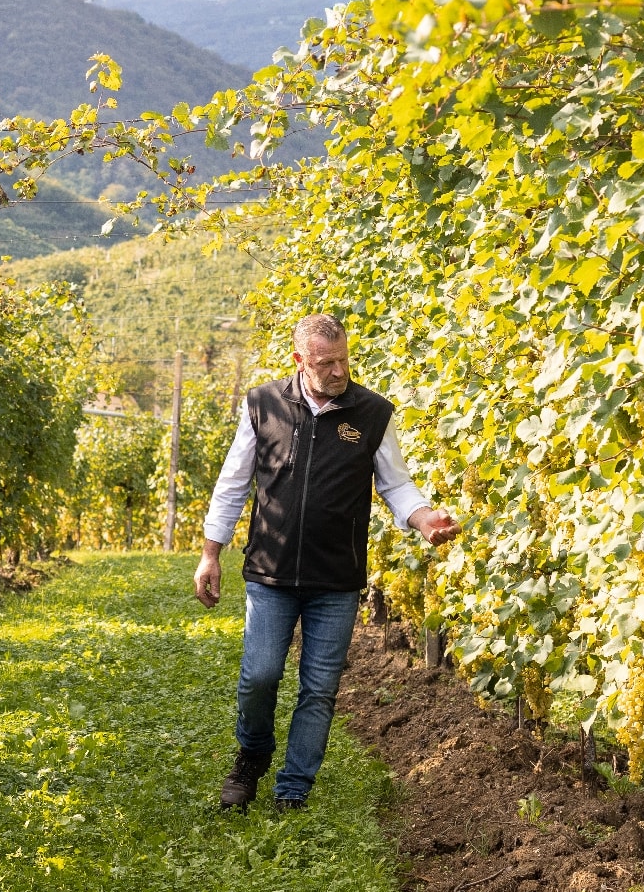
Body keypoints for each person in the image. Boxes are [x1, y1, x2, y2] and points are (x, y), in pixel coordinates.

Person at [194, 314, 459, 810]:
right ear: (300, 361)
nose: (338, 372)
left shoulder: (372, 413)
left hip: (335, 579)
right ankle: (252, 756)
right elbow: (233, 482)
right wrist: (212, 554)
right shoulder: (263, 405)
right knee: (260, 676)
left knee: (318, 689)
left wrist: (423, 520)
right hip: (270, 573)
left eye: (343, 360)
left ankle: (293, 789)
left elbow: (396, 484)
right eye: (325, 363)